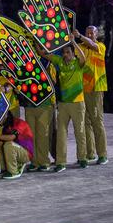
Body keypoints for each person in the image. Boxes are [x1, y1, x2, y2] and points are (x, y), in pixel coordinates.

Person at [38, 38, 87, 172]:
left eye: (67, 52)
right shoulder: (59, 61)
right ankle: (61, 162)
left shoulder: (78, 63)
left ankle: (82, 158)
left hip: (78, 103)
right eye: (64, 52)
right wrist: (35, 39)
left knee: (80, 132)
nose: (65, 54)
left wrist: (74, 42)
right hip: (64, 104)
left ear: (73, 53)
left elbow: (83, 57)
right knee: (61, 134)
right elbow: (43, 54)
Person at [75, 27, 108, 165]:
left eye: (91, 33)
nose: (89, 35)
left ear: (96, 34)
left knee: (97, 121)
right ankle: (90, 153)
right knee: (85, 122)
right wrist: (73, 41)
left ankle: (103, 154)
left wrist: (80, 35)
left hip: (96, 88)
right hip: (82, 88)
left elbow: (92, 45)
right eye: (87, 32)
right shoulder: (81, 46)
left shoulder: (100, 46)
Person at [88, 0, 113, 110]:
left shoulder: (111, 9)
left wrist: (111, 47)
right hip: (96, 44)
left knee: (110, 70)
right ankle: (101, 96)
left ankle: (112, 98)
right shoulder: (94, 8)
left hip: (108, 43)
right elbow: (91, 26)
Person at [0, 113, 35, 179]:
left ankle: (13, 172)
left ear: (5, 116)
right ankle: (16, 164)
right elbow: (0, 145)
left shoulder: (18, 123)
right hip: (16, 150)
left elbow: (12, 137)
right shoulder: (5, 126)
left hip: (26, 152)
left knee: (8, 145)